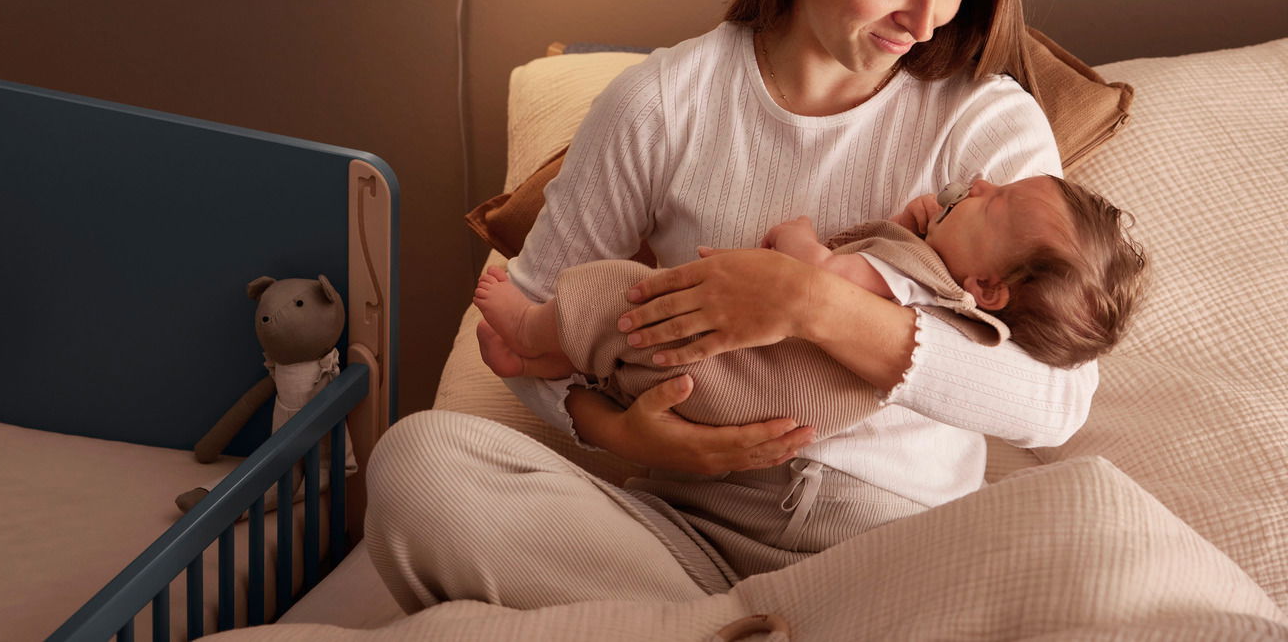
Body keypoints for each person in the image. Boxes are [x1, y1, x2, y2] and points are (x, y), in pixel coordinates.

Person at [365, 0, 1104, 611]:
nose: (926, 21)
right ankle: (722, 628)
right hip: (679, 538)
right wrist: (620, 431)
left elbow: (1057, 401)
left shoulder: (987, 128)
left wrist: (809, 303)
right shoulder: (663, 102)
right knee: (418, 464)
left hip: (894, 555)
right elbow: (533, 324)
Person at [471, 175, 1146, 439]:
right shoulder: (947, 299)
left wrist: (797, 243)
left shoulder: (910, 278)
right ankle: (545, 354)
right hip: (733, 408)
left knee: (626, 291)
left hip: (735, 376)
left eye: (992, 202)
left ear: (990, 289)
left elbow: (820, 271)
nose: (977, 180)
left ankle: (533, 326)